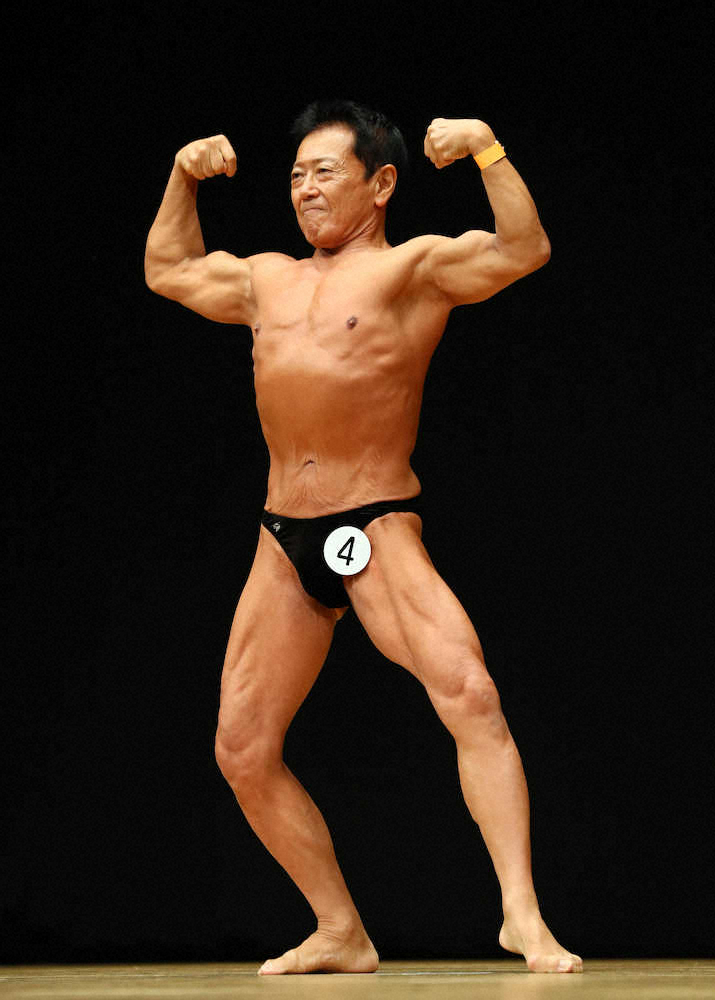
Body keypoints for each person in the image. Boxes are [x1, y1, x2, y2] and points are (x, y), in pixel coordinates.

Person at [144, 100, 582, 975]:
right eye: (295, 176)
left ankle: (522, 916)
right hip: (283, 535)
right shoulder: (265, 278)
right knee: (241, 748)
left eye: (324, 173)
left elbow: (522, 248)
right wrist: (181, 176)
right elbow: (169, 269)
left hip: (373, 519)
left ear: (380, 184)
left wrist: (488, 150)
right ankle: (340, 930)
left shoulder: (411, 269)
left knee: (470, 695)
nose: (304, 189)